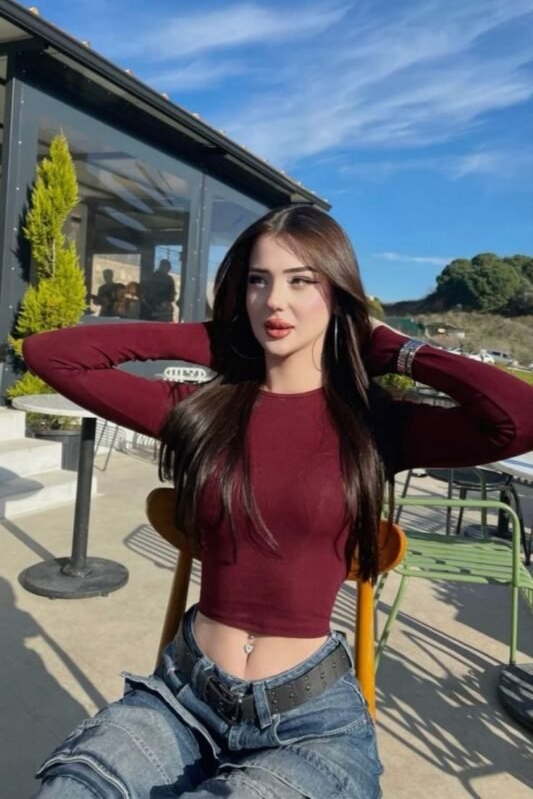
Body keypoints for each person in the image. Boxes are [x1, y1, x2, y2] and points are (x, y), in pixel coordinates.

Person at [23, 206, 533, 798]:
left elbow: (517, 419)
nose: (274, 301)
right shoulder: (201, 410)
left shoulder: (375, 424)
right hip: (180, 698)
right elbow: (51, 354)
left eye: (301, 280)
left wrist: (394, 348)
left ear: (337, 295)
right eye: (258, 281)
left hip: (308, 723)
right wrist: (219, 338)